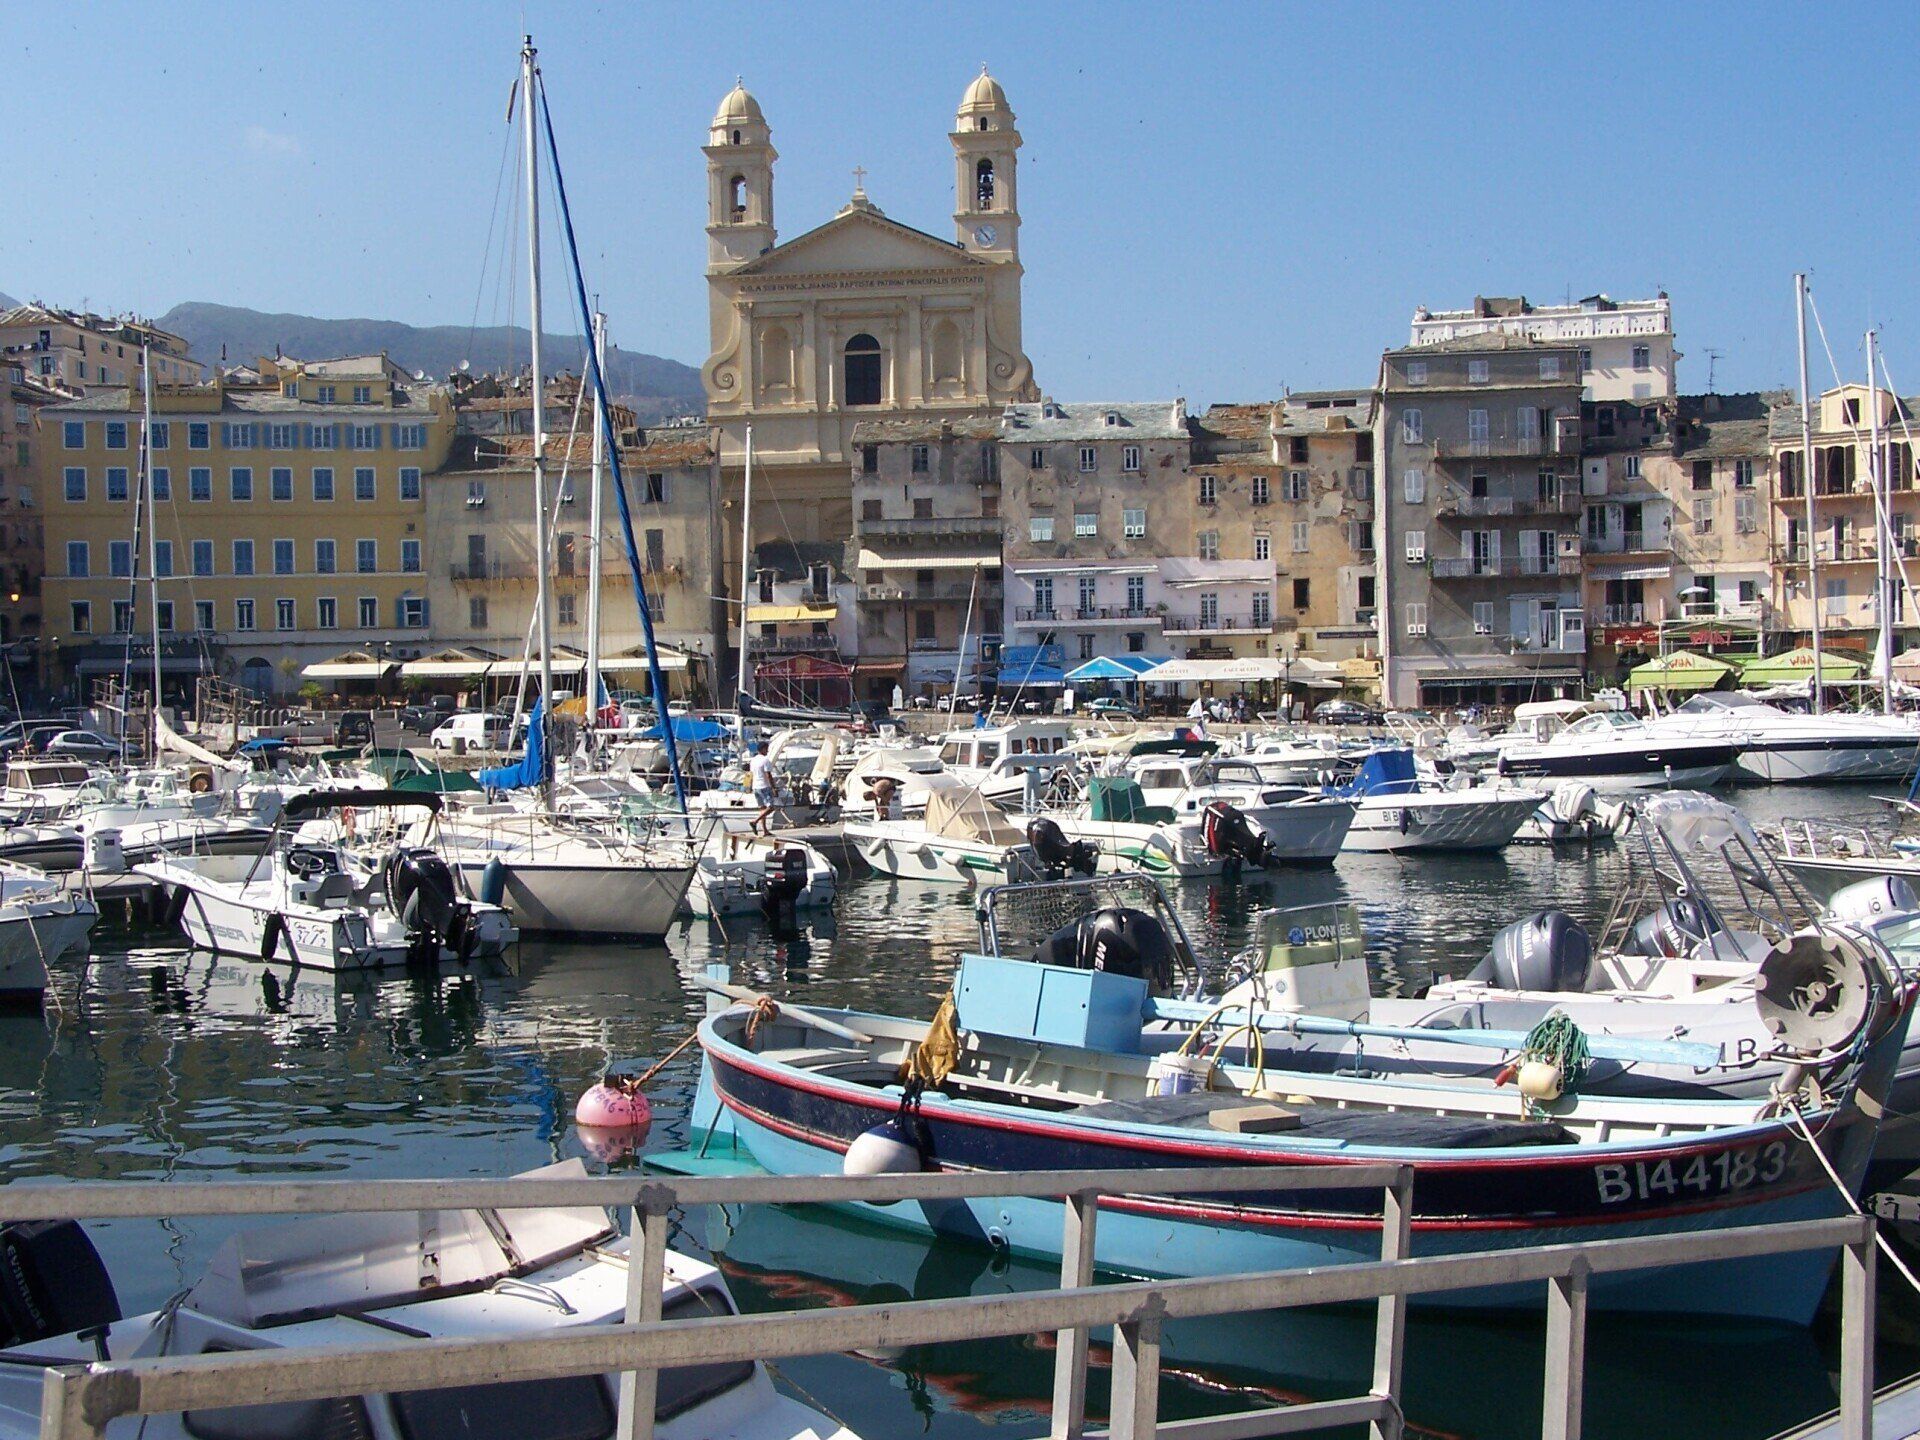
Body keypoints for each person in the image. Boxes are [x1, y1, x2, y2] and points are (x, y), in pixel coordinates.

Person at [748, 743, 776, 834]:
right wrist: (773, 788)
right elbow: (768, 775)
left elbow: (751, 774)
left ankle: (765, 830)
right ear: (763, 749)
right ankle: (755, 821)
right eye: (766, 749)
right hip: (764, 786)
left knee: (762, 809)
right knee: (771, 807)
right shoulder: (765, 760)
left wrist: (750, 786)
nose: (767, 751)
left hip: (755, 787)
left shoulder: (753, 760)